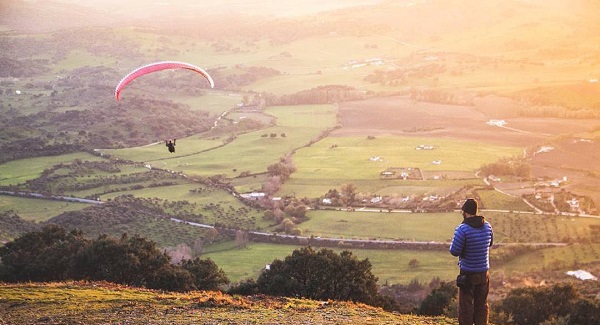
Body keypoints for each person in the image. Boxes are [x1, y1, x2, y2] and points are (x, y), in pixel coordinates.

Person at [450, 198, 493, 325]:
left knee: (466, 307)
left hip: (468, 273)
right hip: (484, 272)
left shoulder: (462, 229)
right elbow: (490, 243)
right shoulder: (487, 226)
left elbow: (454, 251)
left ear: (465, 212)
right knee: (481, 305)